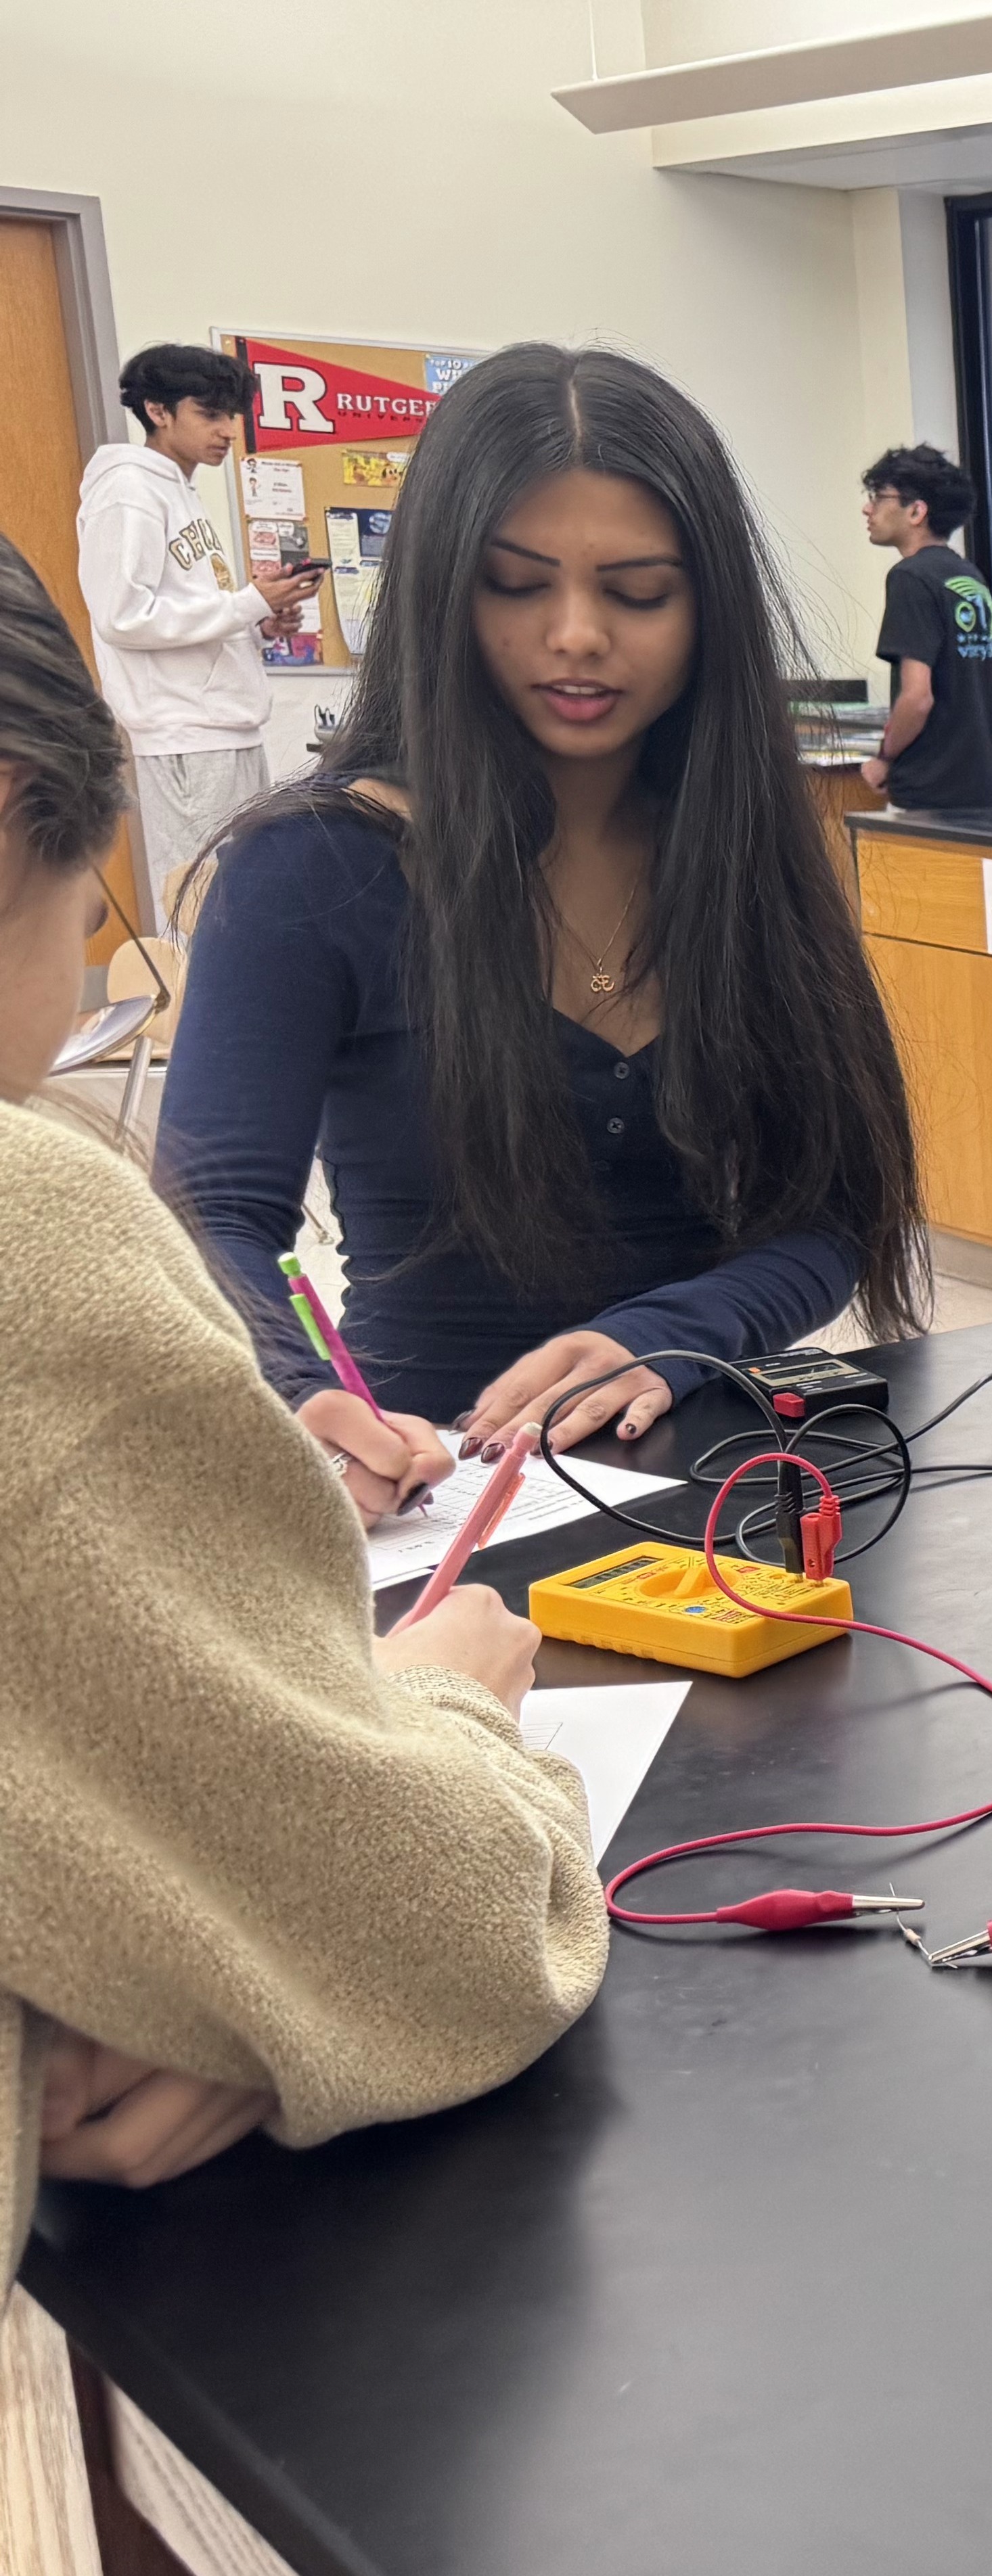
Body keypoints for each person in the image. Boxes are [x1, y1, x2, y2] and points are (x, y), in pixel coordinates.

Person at [0, 526, 604, 2268]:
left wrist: (171, 1981)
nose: (577, 643)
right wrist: (445, 1708)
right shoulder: (41, 1220)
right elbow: (432, 1936)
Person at [156, 345, 927, 1520]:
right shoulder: (313, 868)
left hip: (722, 1483)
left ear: (705, 607)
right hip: (431, 1487)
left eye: (637, 591)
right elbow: (212, 1220)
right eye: (518, 586)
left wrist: (676, 1331)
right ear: (441, 595)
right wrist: (301, 1393)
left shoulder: (740, 853)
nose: (575, 635)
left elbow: (830, 1212)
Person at [76, 344, 324, 934]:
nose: (228, 431)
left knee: (239, 894)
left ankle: (232, 1018)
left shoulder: (178, 490)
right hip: (184, 730)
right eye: (210, 414)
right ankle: (195, 1025)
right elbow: (121, 616)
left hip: (225, 723)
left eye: (232, 415)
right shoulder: (129, 490)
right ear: (159, 411)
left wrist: (257, 619)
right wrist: (247, 603)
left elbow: (187, 608)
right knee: (197, 903)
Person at [859, 444, 992, 813]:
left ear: (916, 511)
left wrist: (884, 758)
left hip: (928, 795)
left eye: (879, 497)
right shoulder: (970, 578)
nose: (868, 508)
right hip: (981, 790)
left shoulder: (910, 578)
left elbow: (917, 697)